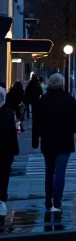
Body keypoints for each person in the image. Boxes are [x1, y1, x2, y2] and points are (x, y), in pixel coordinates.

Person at [31, 72, 76, 214]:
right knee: (60, 172)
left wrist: (35, 140)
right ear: (62, 84)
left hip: (48, 142)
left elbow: (37, 122)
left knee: (49, 172)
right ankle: (57, 202)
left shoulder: (43, 101)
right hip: (65, 141)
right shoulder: (69, 100)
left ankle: (48, 199)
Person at [0, 88, 19, 219]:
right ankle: (2, 198)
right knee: (4, 176)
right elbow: (12, 134)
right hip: (5, 151)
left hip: (5, 151)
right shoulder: (8, 114)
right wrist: (14, 150)